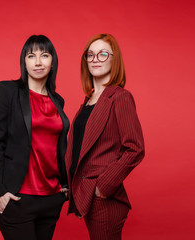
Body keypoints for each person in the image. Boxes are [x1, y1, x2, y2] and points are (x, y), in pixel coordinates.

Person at [0, 35, 70, 240]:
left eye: (44, 55)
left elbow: (57, 146)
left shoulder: (58, 101)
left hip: (51, 199)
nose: (38, 62)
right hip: (17, 198)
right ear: (24, 61)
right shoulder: (7, 91)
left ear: (53, 62)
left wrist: (64, 186)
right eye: (31, 56)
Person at [65, 33, 145, 240]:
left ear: (113, 59)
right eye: (90, 55)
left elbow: (135, 148)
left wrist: (103, 187)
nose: (95, 59)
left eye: (102, 54)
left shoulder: (120, 97)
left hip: (103, 198)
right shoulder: (90, 100)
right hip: (85, 194)